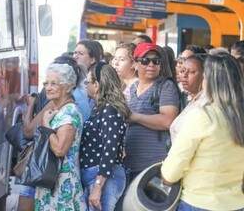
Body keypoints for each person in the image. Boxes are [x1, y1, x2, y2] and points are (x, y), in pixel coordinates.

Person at [162, 53, 244, 211]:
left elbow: (172, 170)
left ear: (211, 81)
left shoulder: (203, 115)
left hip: (199, 202)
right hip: (237, 203)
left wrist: (166, 179)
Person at [33, 63, 87, 210]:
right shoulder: (58, 109)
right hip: (50, 180)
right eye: (46, 83)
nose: (48, 88)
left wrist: (46, 125)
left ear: (67, 86)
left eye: (53, 83)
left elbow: (59, 149)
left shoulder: (69, 112)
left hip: (62, 184)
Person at [124, 42, 180, 182]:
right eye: (145, 60)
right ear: (135, 64)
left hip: (153, 166)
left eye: (156, 61)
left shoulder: (166, 86)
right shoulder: (132, 88)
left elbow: (168, 121)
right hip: (131, 164)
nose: (151, 65)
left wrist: (134, 117)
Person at [80, 62, 130, 211]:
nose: (85, 86)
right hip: (96, 175)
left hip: (104, 177)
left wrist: (97, 187)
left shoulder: (110, 110)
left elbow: (110, 148)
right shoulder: (100, 108)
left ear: (97, 85)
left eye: (87, 82)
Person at [170, 55, 206, 143]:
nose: (184, 75)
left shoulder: (205, 104)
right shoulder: (191, 98)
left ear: (204, 75)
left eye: (192, 72)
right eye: (182, 71)